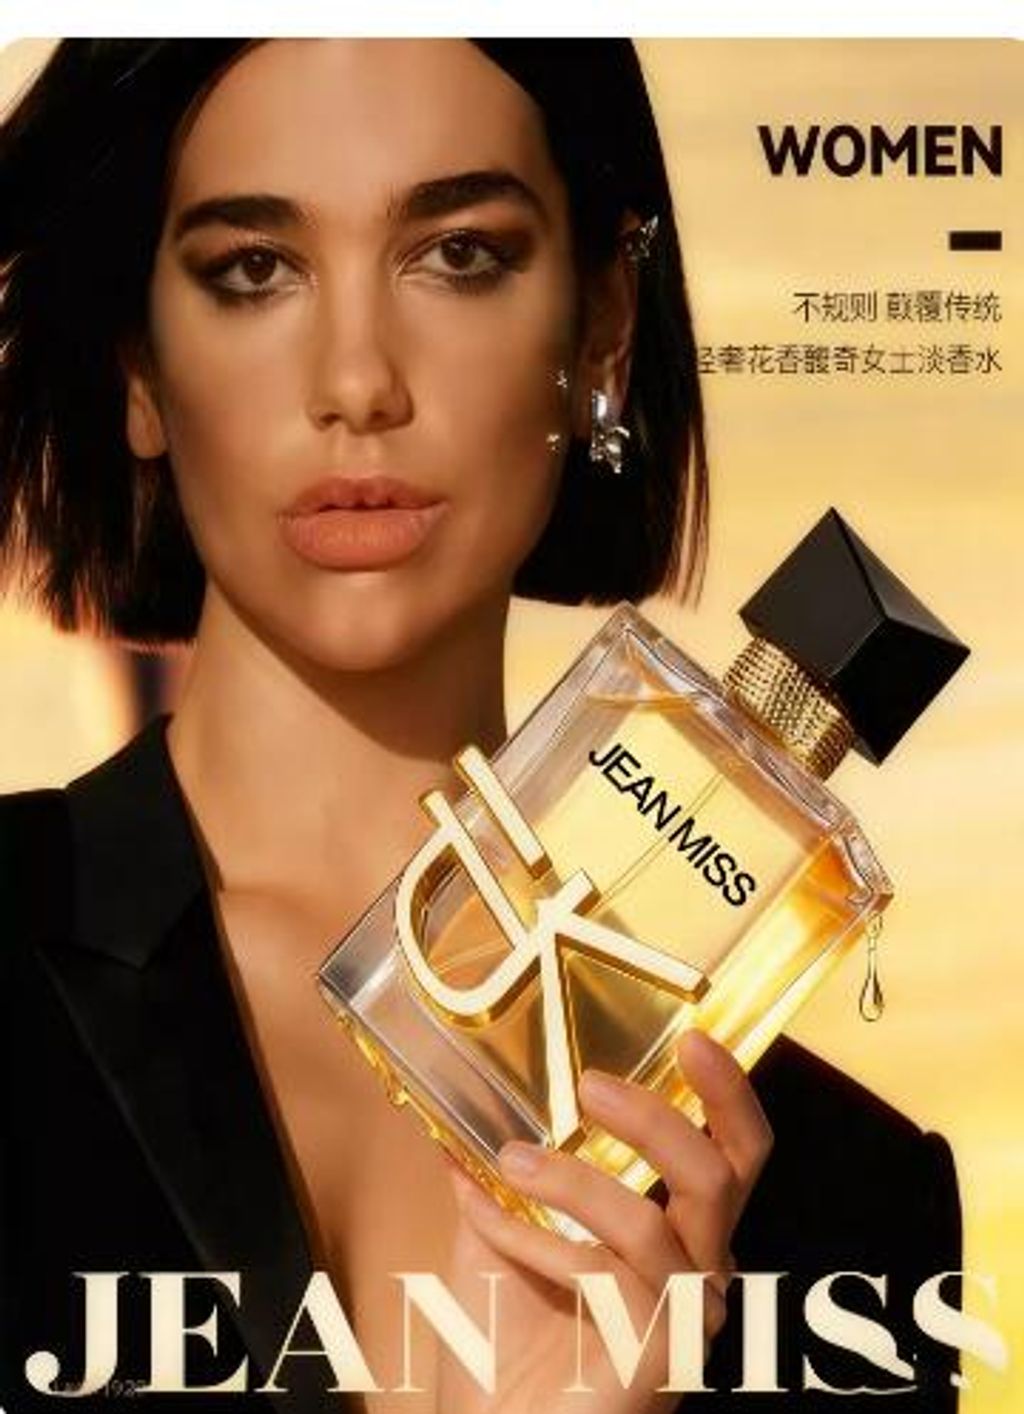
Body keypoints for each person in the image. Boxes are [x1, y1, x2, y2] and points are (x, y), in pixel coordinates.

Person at [0, 39, 959, 1413]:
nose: (357, 382)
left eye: (458, 255)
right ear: (140, 368)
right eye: (254, 269)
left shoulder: (851, 1213)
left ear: (602, 330)